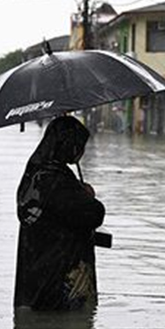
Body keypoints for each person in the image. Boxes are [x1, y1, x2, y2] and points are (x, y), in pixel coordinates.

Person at [15, 115, 105, 310]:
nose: (81, 152)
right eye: (79, 146)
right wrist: (88, 195)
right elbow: (93, 214)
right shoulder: (57, 181)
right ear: (68, 145)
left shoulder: (36, 171)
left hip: (35, 280)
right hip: (59, 283)